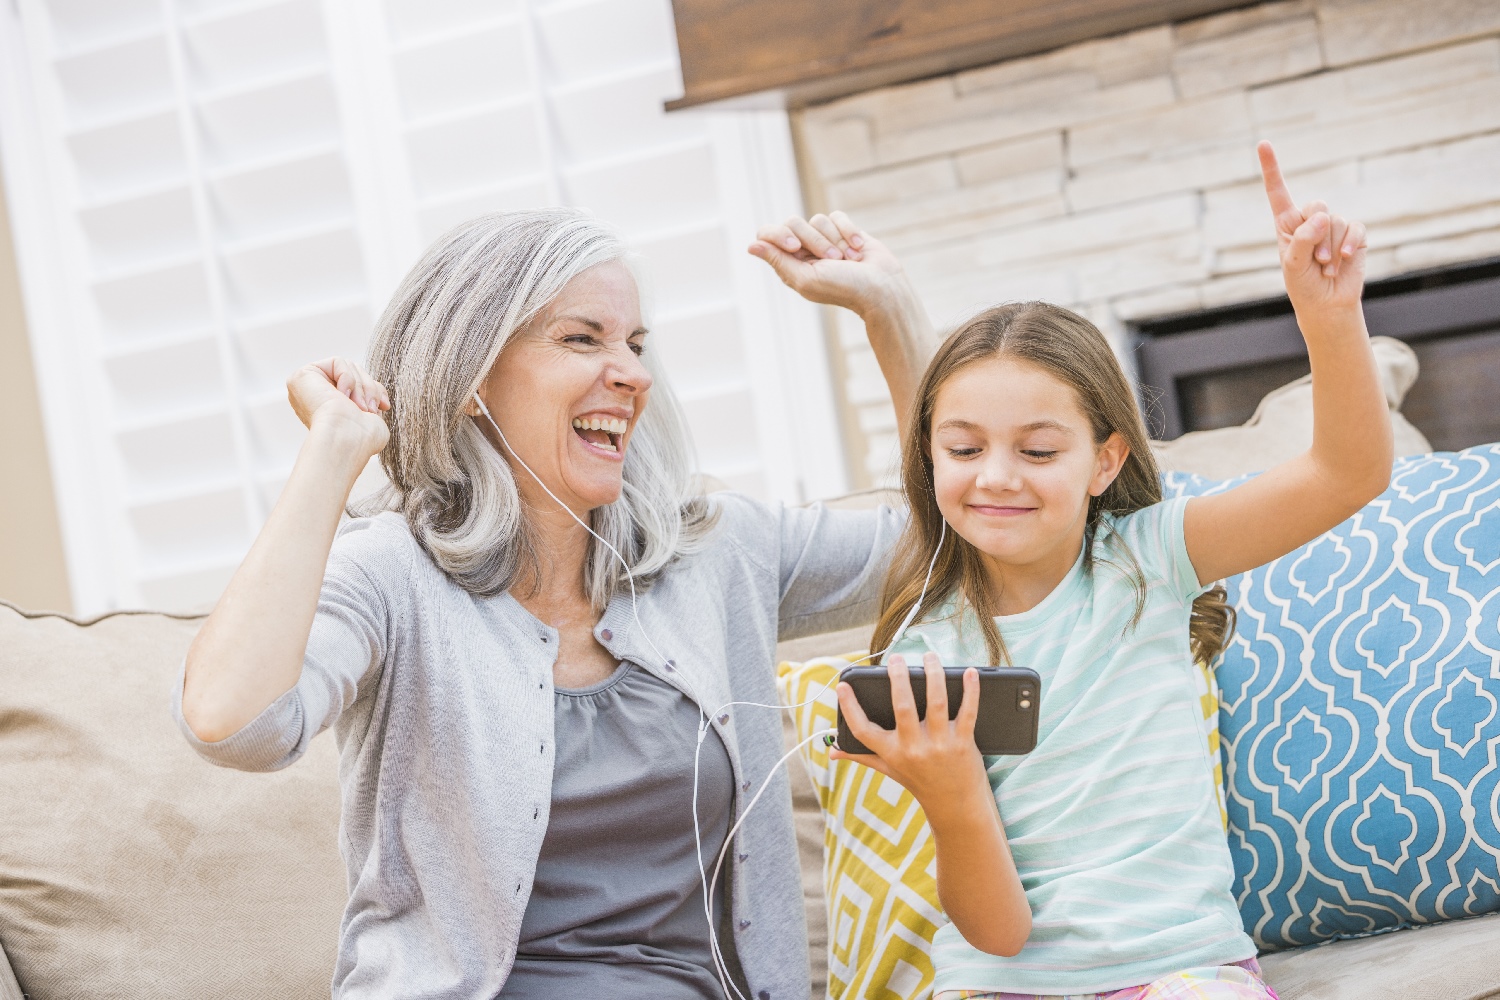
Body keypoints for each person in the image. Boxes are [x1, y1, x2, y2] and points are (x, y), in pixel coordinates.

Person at [175, 208, 928, 999]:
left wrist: (892, 312)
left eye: (635, 346)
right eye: (582, 339)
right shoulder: (393, 575)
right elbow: (234, 724)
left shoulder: (715, 551)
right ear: (470, 379)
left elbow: (955, 539)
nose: (632, 373)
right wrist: (331, 451)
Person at [831, 142, 1391, 1000]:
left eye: (1039, 449)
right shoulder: (929, 645)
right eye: (965, 447)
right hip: (1002, 983)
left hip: (1179, 973)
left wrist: (1327, 315)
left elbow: (1347, 473)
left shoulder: (1147, 558)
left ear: (1103, 462)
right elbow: (1000, 934)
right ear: (930, 455)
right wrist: (949, 794)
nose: (997, 477)